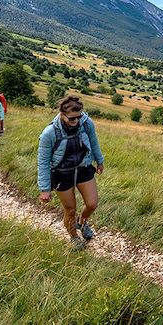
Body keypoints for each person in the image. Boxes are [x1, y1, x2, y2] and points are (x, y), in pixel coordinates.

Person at [37, 95, 105, 249]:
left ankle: (82, 222)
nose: (76, 121)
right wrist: (45, 189)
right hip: (62, 173)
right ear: (62, 115)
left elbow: (94, 142)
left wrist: (99, 161)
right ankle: (74, 237)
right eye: (72, 118)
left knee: (92, 204)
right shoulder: (50, 133)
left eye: (79, 117)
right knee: (70, 210)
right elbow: (43, 162)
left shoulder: (86, 124)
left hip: (84, 168)